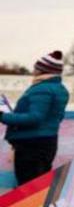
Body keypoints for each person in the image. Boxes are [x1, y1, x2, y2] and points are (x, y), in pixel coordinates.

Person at [0, 50, 69, 184]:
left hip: (31, 146)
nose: (33, 70)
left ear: (42, 70)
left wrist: (3, 116)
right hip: (47, 142)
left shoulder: (41, 88)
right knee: (39, 189)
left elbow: (35, 118)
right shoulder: (60, 89)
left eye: (36, 67)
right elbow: (58, 117)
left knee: (27, 188)